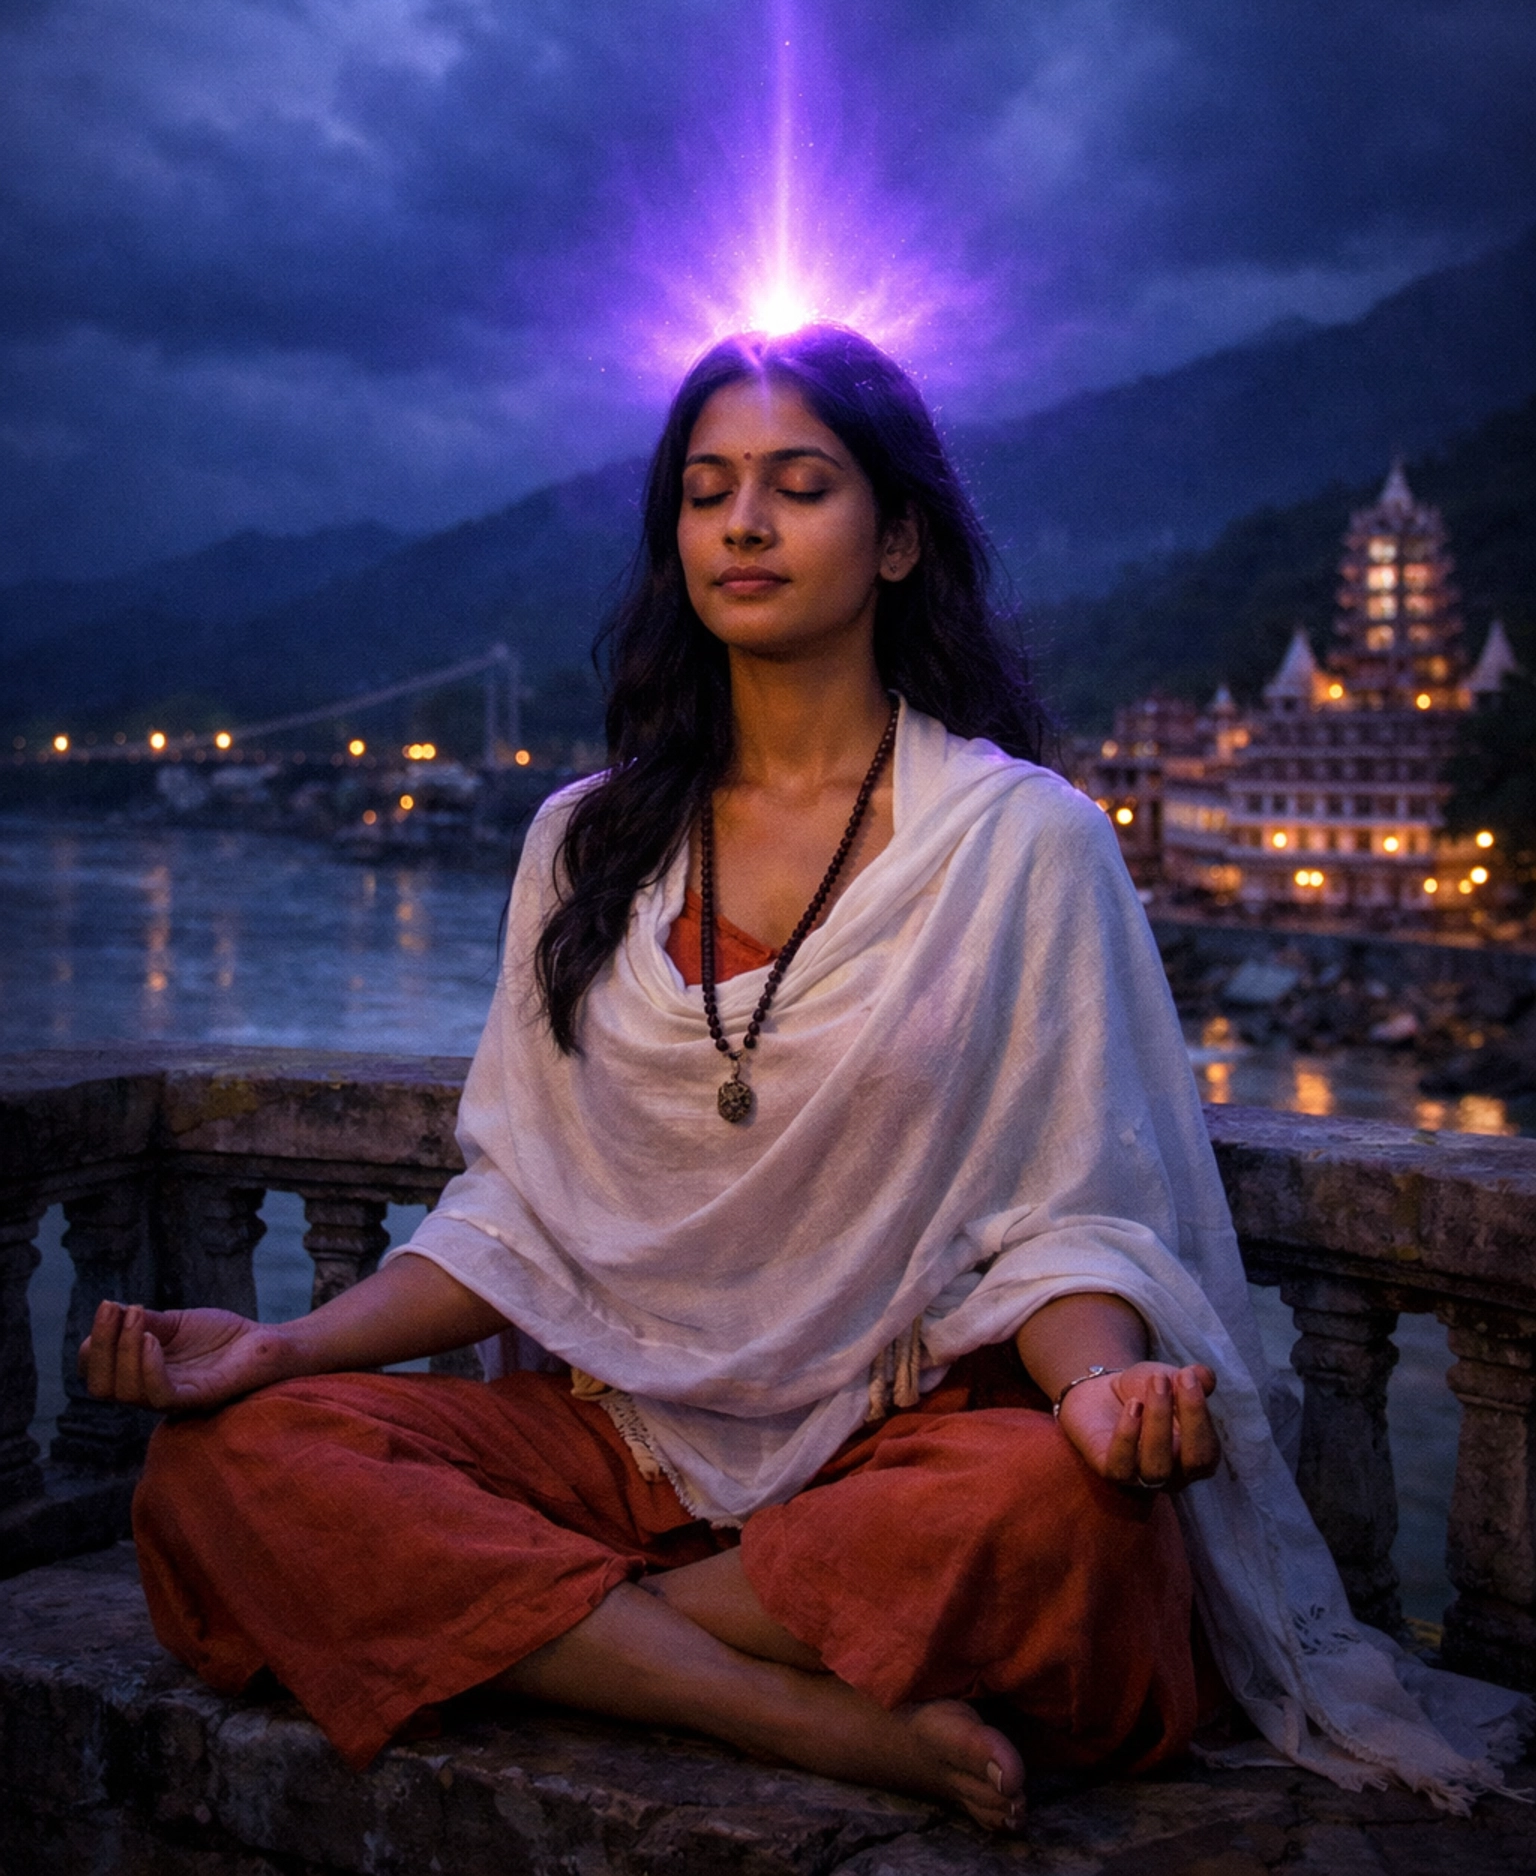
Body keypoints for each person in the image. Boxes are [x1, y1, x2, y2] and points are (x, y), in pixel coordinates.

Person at [85, 328, 1515, 1831]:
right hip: (607, 1439)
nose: (744, 523)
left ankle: (557, 1627)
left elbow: (1072, 1218)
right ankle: (779, 1693)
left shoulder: (1020, 842)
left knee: (1057, 1518)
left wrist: (1100, 1395)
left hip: (892, 1446)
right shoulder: (585, 846)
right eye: (706, 493)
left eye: (798, 486)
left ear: (898, 537)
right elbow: (516, 1218)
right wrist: (285, 1351)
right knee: (220, 1468)